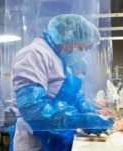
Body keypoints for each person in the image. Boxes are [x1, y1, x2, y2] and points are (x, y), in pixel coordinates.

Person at [10, 14, 113, 151]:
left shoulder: (62, 59)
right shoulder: (35, 54)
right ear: (68, 38)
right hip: (35, 138)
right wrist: (81, 120)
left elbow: (73, 96)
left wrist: (91, 113)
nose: (81, 54)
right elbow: (33, 108)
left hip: (57, 133)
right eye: (80, 48)